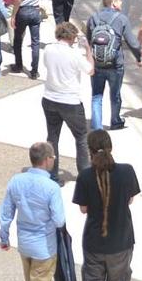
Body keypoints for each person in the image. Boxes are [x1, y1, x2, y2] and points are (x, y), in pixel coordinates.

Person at [72, 129, 139, 281]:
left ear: (90, 151)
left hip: (93, 242)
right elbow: (130, 199)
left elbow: (83, 209)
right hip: (120, 241)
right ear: (111, 147)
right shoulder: (126, 171)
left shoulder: (85, 176)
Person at [0, 141, 66, 281]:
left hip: (24, 244)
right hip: (44, 248)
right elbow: (59, 220)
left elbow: (6, 212)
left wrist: (4, 237)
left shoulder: (16, 181)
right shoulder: (51, 188)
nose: (54, 161)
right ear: (46, 160)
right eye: (53, 158)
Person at [41, 22, 94, 184]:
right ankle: (84, 175)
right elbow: (90, 70)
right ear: (72, 37)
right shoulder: (75, 54)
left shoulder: (49, 49)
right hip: (70, 101)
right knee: (81, 137)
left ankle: (53, 175)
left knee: (53, 138)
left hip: (50, 98)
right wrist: (88, 51)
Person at [86, 0, 142, 131]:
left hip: (97, 63)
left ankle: (97, 127)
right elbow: (133, 43)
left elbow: (89, 40)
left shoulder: (93, 17)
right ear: (113, 3)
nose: (121, 3)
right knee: (115, 94)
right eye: (120, 0)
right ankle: (116, 121)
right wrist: (139, 58)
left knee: (96, 96)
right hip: (115, 64)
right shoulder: (121, 19)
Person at [10, 0, 46, 79]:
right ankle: (34, 70)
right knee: (35, 42)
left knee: (18, 39)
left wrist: (13, 15)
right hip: (35, 11)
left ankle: (18, 65)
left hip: (23, 11)